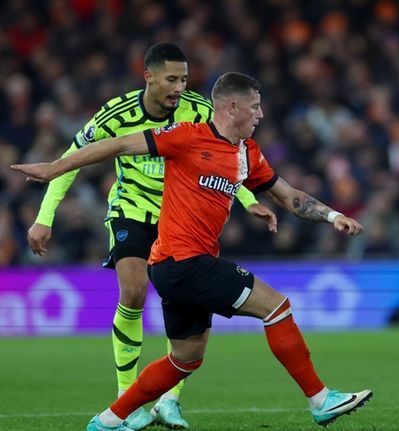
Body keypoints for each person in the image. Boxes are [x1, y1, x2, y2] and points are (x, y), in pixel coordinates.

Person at [13, 71, 372, 431]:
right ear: (232, 108)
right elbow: (119, 145)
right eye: (255, 106)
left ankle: (109, 419)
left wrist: (333, 215)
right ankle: (320, 399)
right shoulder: (186, 137)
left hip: (180, 267)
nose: (261, 115)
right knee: (276, 307)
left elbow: (289, 196)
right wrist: (55, 167)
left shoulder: (248, 153)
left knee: (186, 358)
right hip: (182, 261)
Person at [25, 43, 274, 430]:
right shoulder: (116, 114)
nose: (179, 87)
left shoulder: (199, 109)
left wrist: (246, 198)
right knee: (135, 291)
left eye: (185, 79)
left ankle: (169, 401)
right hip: (133, 210)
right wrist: (45, 217)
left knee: (187, 301)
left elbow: (227, 154)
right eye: (172, 79)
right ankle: (130, 402)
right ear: (150, 77)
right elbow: (69, 161)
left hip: (184, 216)